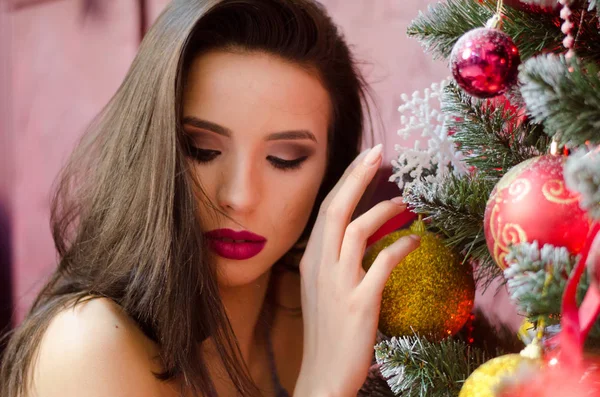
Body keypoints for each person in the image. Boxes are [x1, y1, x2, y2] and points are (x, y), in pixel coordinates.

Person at [0, 0, 420, 396]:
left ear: (331, 172)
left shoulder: (327, 310)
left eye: (284, 158)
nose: (238, 196)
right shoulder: (87, 346)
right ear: (149, 146)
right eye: (202, 150)